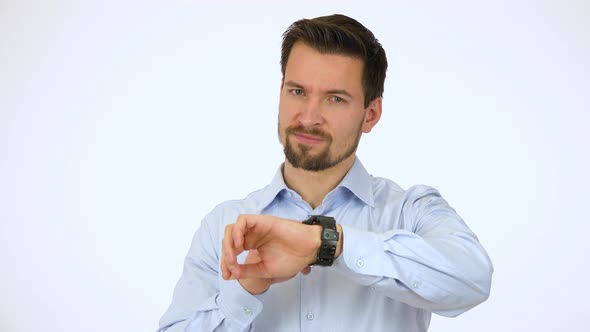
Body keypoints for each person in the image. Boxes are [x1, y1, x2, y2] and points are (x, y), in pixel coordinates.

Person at [158, 14, 493, 332]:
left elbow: (472, 279)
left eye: (335, 98)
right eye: (298, 91)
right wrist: (246, 288)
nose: (308, 117)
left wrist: (329, 244)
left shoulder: (411, 211)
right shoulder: (224, 226)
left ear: (370, 114)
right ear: (280, 92)